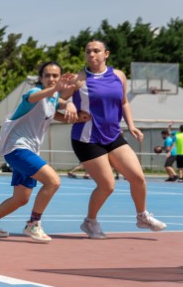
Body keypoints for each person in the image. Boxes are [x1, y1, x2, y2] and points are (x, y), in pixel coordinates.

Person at [65, 39, 166, 238]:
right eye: (88, 51)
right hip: (87, 138)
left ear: (106, 54)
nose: (91, 54)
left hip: (113, 135)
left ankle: (142, 216)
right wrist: (68, 104)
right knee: (107, 185)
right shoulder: (79, 79)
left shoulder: (119, 76)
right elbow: (58, 98)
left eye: (96, 51)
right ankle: (90, 221)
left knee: (138, 178)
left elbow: (124, 103)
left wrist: (131, 125)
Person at [0, 62, 79, 242]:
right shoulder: (35, 93)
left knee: (21, 199)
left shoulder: (53, 99)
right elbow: (34, 97)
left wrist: (71, 106)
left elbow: (57, 109)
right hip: (17, 148)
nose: (51, 78)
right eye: (47, 75)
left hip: (29, 150)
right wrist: (57, 89)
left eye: (55, 75)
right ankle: (33, 223)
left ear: (60, 77)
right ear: (40, 78)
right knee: (53, 181)